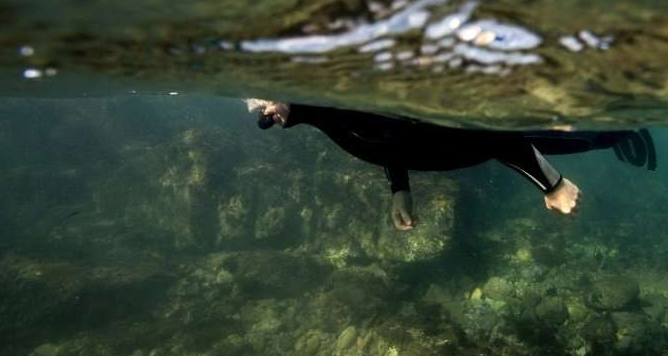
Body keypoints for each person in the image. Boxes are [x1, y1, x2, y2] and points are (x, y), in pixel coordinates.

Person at [246, 99, 657, 231]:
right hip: (475, 139)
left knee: (562, 139)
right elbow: (389, 142)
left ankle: (625, 131)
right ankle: (619, 130)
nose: (260, 111)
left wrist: (551, 184)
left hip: (490, 134)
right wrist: (399, 189)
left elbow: (496, 135)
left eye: (263, 103)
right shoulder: (321, 113)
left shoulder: (331, 104)